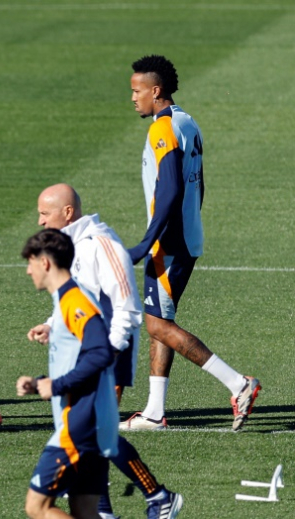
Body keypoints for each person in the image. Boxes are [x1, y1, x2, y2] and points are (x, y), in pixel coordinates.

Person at [21, 184, 182, 519]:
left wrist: (104, 354)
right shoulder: (68, 247)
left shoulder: (102, 243)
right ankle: (108, 508)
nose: (39, 220)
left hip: (107, 352)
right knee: (97, 439)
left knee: (96, 434)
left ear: (67, 213)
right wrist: (54, 325)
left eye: (44, 213)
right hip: (88, 354)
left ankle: (156, 496)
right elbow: (76, 299)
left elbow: (127, 309)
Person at [122, 54, 259, 432]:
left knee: (157, 325)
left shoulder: (162, 128)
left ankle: (238, 383)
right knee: (160, 320)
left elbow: (170, 188)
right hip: (185, 235)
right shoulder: (188, 122)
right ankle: (153, 412)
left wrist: (146, 242)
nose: (133, 98)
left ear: (155, 90)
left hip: (169, 243)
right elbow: (198, 184)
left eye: (136, 91)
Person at [18, 228, 118, 519]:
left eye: (31, 262)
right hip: (95, 424)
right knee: (85, 513)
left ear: (45, 263)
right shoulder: (66, 301)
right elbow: (80, 358)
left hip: (79, 425)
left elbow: (101, 352)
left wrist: (57, 385)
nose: (28, 271)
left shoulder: (74, 300)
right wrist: (39, 383)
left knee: (36, 507)